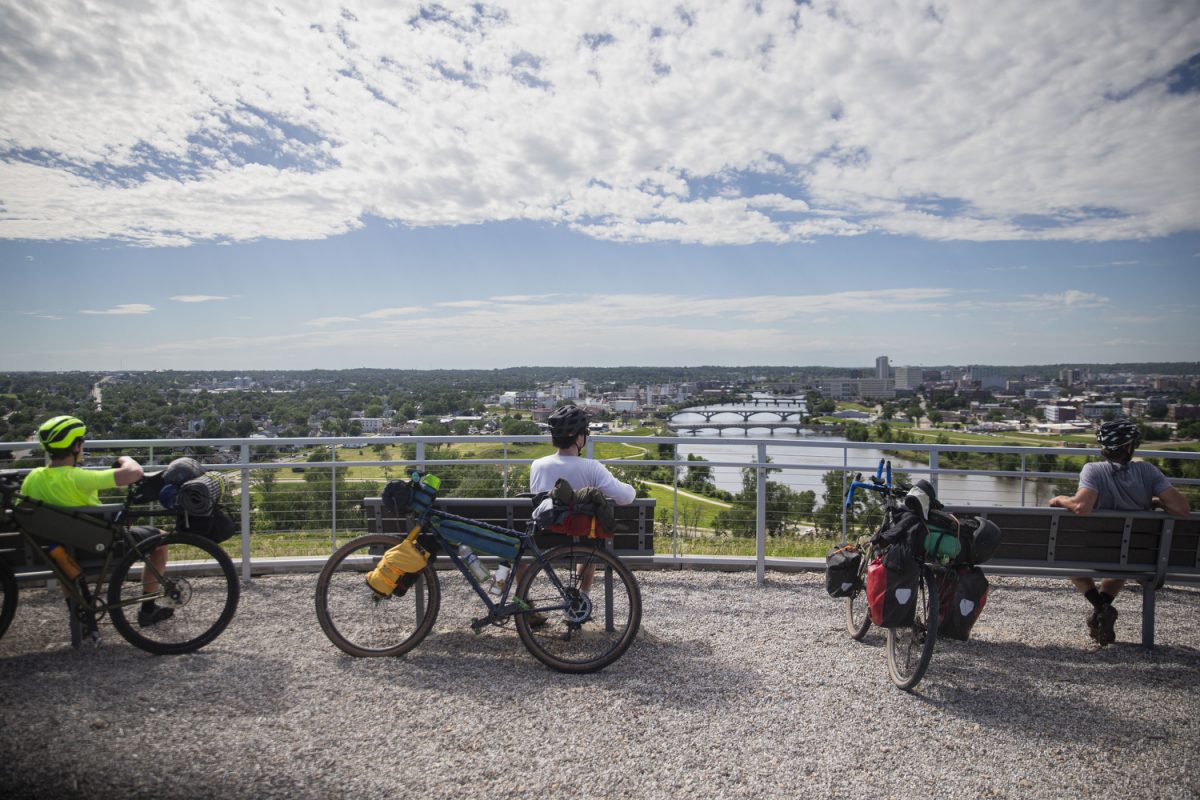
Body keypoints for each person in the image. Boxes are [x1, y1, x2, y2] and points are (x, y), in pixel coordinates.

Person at [20, 415, 175, 627]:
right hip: (98, 548)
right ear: (75, 446)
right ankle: (148, 609)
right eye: (81, 442)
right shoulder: (80, 478)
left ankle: (78, 614)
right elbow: (134, 474)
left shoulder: (33, 478)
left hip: (53, 553)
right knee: (160, 538)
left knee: (62, 544)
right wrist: (125, 459)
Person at [1050, 418, 1191, 645]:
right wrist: (1157, 502)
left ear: (1104, 448)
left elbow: (1081, 507)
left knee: (1069, 561)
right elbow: (1182, 509)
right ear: (1128, 447)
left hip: (1092, 553)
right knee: (1121, 560)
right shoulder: (1147, 471)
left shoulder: (1093, 470)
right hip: (1139, 556)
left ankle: (1100, 607)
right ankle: (1103, 609)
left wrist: (1059, 499)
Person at [529, 404, 636, 596]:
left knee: (582, 534)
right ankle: (582, 597)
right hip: (583, 544)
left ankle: (527, 605)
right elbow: (625, 497)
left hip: (543, 543)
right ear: (579, 437)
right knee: (588, 538)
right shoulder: (592, 468)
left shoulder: (537, 466)